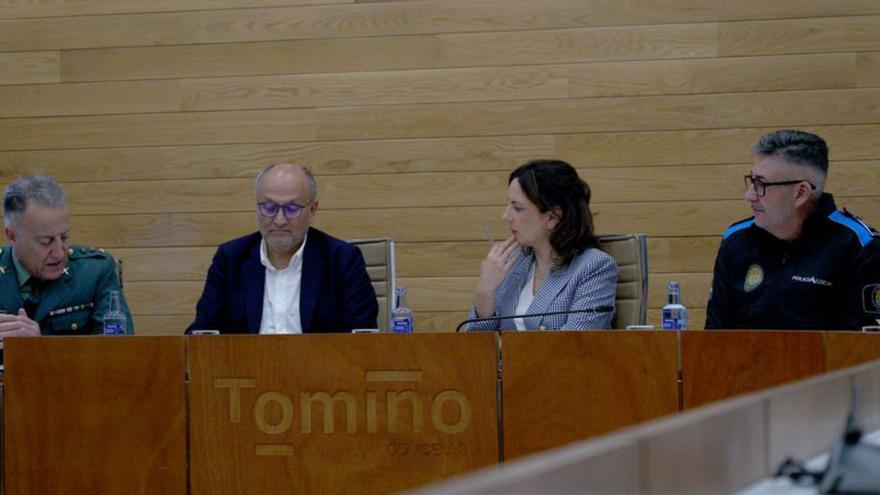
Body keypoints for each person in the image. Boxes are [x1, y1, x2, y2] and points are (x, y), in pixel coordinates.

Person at [706, 129, 880, 330]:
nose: (750, 195)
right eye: (752, 181)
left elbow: (867, 348)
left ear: (801, 193)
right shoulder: (735, 241)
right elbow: (714, 338)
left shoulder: (860, 246)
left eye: (760, 184)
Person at [188, 163, 378, 334]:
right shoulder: (230, 258)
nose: (279, 220)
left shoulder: (342, 259)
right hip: (248, 368)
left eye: (292, 208)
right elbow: (204, 333)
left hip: (319, 370)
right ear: (257, 207)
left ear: (312, 210)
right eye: (269, 207)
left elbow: (360, 339)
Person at [466, 159, 618, 331]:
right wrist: (485, 290)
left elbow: (575, 346)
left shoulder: (593, 266)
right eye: (508, 204)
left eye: (517, 208)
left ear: (552, 217)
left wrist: (508, 350)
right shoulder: (512, 263)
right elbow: (477, 350)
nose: (505, 216)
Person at [0, 176, 133, 349]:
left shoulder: (95, 272)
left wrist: (43, 348)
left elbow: (120, 352)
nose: (59, 252)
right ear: (11, 236)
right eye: (45, 242)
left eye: (64, 237)